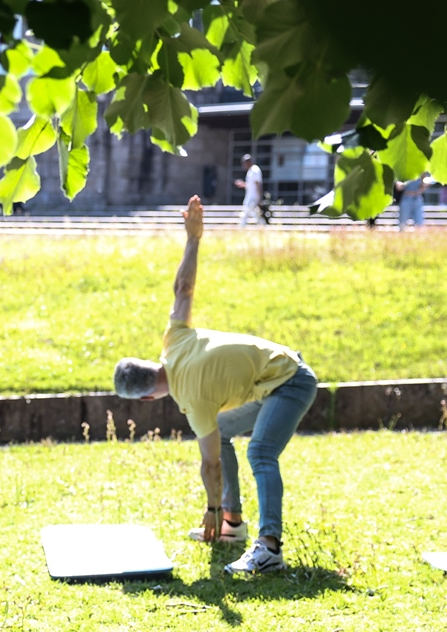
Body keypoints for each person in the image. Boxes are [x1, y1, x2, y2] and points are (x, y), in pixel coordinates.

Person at [113, 195, 318, 574]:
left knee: (260, 453)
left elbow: (210, 464)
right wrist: (193, 238)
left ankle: (269, 548)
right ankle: (234, 525)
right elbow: (183, 290)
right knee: (224, 432)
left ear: (145, 397)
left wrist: (208, 506)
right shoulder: (172, 342)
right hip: (277, 377)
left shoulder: (193, 400)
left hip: (291, 381)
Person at [234, 154, 263, 228]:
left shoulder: (254, 170)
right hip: (250, 196)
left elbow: (258, 185)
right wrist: (242, 184)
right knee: (255, 213)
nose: (244, 165)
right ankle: (263, 226)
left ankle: (241, 227)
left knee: (246, 212)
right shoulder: (250, 171)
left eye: (244, 163)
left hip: (253, 196)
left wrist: (260, 198)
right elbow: (251, 186)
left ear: (249, 162)